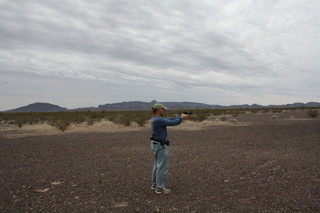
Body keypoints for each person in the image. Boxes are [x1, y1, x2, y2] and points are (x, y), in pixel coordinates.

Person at [150, 103, 189, 194]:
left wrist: (179, 117)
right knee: (162, 167)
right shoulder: (158, 120)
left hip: (157, 144)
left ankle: (155, 184)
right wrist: (181, 118)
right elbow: (172, 122)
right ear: (159, 110)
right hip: (160, 145)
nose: (164, 111)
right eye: (163, 109)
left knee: (157, 165)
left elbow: (168, 120)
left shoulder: (155, 119)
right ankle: (160, 188)